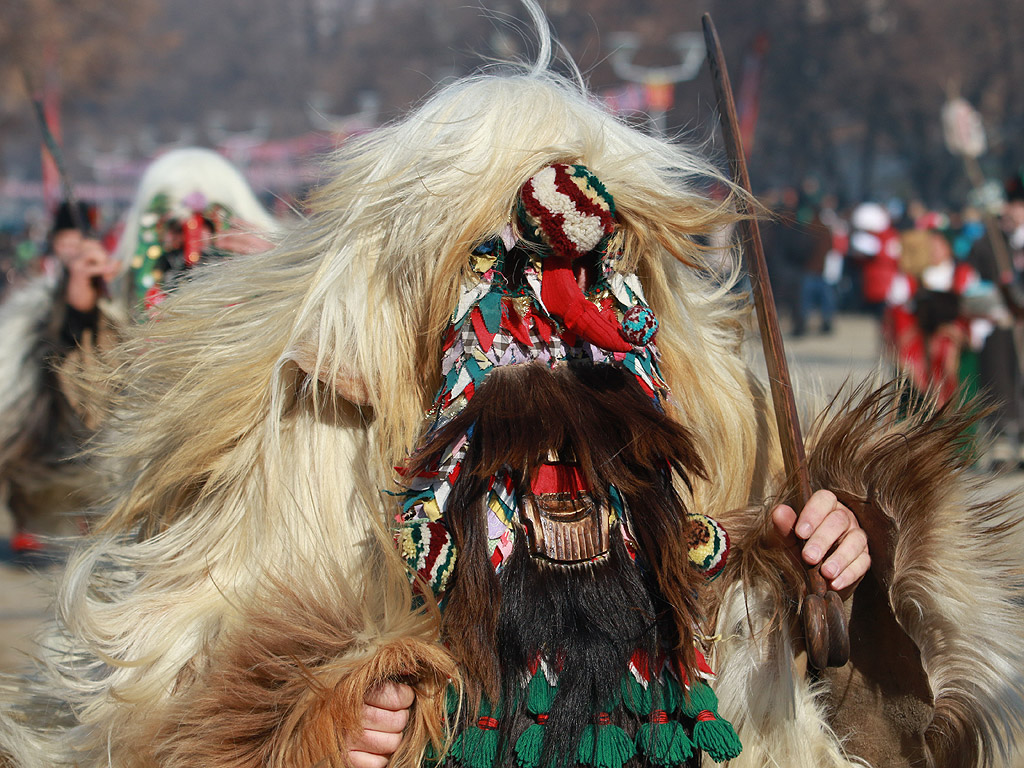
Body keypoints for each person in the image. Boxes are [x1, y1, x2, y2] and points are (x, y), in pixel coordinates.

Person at [1, 8, 1021, 768]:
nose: (545, 320)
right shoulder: (308, 441)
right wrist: (301, 725)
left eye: (589, 276)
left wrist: (840, 570)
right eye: (499, 277)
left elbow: (830, 697)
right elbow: (152, 682)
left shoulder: (694, 423)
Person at [0, 149, 277, 564]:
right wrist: (81, 315)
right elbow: (94, 405)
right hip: (157, 507)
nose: (190, 239)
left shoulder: (270, 267)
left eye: (211, 220)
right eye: (167, 224)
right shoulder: (123, 306)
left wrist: (276, 270)